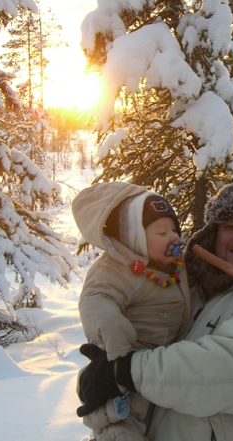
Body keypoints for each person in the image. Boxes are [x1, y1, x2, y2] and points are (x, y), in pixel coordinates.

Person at [76, 179, 233, 441]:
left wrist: (125, 371)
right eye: (231, 226)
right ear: (214, 233)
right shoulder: (187, 289)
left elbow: (229, 372)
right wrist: (98, 375)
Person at [72, 181, 191, 441]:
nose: (173, 237)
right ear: (134, 238)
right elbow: (96, 302)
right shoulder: (113, 270)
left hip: (159, 371)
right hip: (125, 376)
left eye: (174, 228)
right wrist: (119, 353)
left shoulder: (176, 267)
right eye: (161, 232)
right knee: (121, 430)